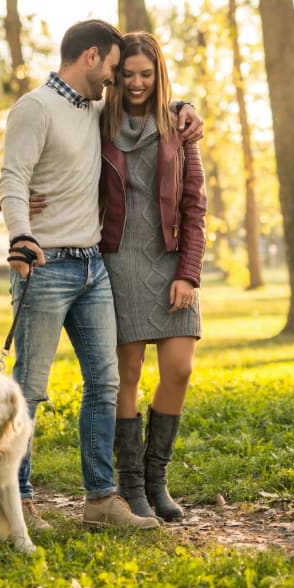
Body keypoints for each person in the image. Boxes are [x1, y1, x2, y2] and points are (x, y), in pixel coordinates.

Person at [0, 19, 203, 531]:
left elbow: (186, 186)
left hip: (93, 264)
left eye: (135, 74)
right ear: (92, 58)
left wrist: (185, 108)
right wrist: (21, 231)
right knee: (31, 386)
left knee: (105, 384)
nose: (121, 80)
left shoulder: (95, 110)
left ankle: (103, 498)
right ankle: (16, 499)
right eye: (116, 69)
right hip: (52, 264)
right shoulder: (44, 108)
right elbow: (14, 176)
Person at [99, 31, 207, 522]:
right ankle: (133, 488)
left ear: (158, 75)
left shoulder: (179, 128)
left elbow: (195, 204)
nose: (137, 82)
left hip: (170, 260)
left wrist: (188, 273)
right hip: (119, 259)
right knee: (128, 375)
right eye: (128, 74)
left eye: (147, 74)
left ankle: (157, 477)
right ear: (116, 76)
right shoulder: (99, 124)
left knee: (180, 369)